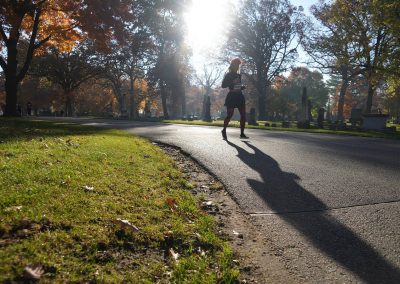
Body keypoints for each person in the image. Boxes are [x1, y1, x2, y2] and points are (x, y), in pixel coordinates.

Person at [221, 58, 248, 140]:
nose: (237, 67)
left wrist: (242, 87)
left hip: (239, 96)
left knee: (243, 115)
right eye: (236, 65)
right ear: (233, 65)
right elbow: (223, 86)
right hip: (232, 96)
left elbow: (237, 86)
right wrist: (232, 82)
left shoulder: (239, 75)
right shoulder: (228, 75)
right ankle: (224, 130)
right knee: (230, 115)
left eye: (238, 65)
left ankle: (242, 133)